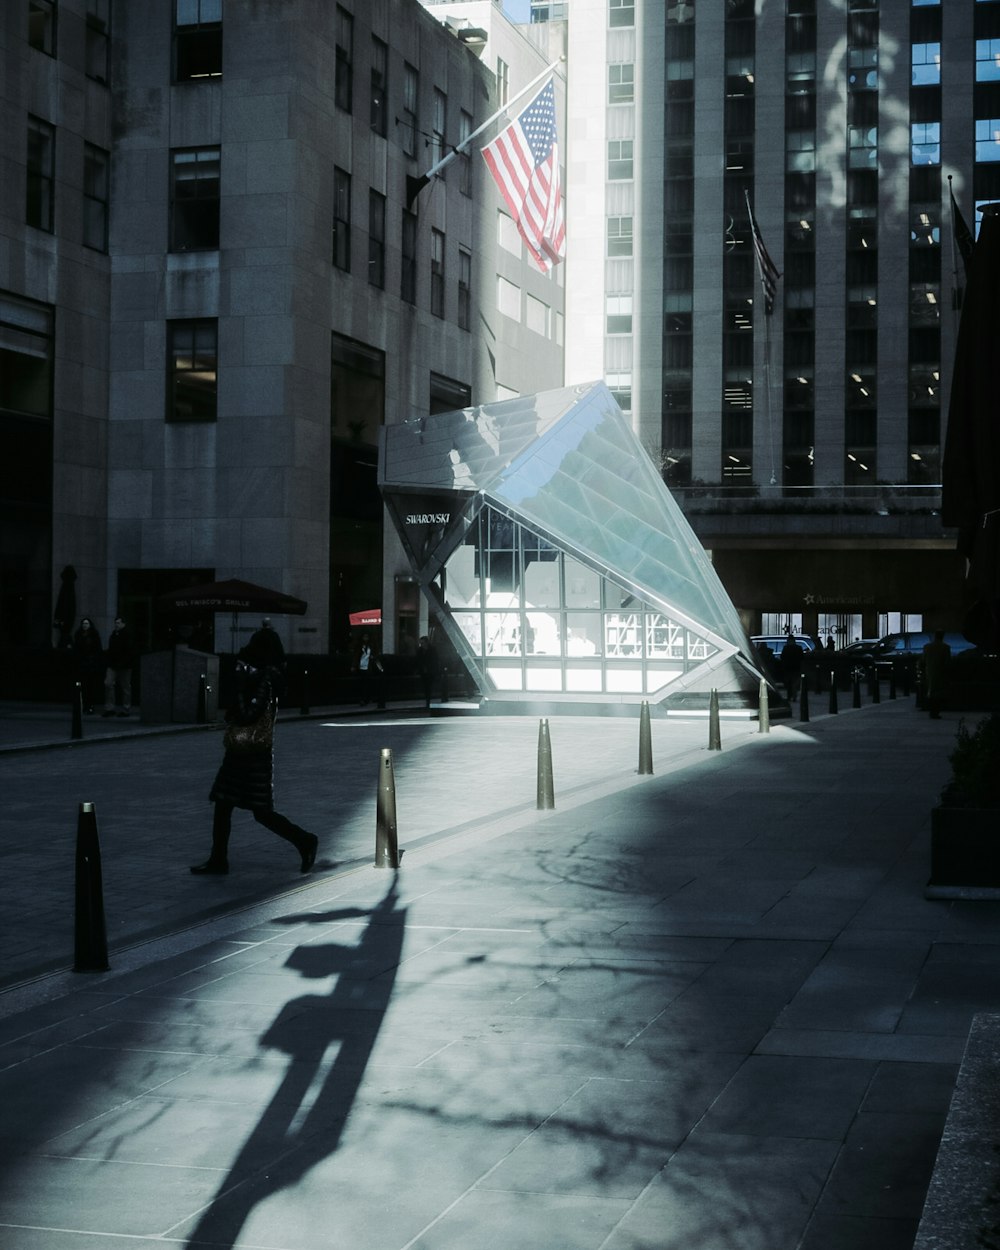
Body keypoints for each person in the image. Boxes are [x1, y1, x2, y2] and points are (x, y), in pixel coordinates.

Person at [190, 636, 318, 876]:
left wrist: (239, 685)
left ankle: (305, 840)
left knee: (261, 812)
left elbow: (249, 713)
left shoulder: (264, 680)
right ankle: (218, 860)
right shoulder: (261, 677)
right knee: (224, 804)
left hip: (251, 755)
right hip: (244, 754)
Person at [102, 615, 135, 717]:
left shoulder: (126, 635)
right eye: (116, 623)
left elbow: (129, 651)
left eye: (118, 623)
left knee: (124, 687)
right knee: (109, 684)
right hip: (116, 664)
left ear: (123, 624)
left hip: (123, 665)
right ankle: (113, 708)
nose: (116, 625)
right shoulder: (114, 634)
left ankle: (124, 708)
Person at [72, 617, 104, 713]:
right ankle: (85, 705)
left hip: (90, 665)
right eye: (84, 623)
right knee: (84, 686)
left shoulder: (93, 636)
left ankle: (90, 705)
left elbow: (97, 650)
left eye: (86, 624)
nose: (84, 625)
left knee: (90, 686)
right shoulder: (79, 635)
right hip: (82, 665)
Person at [922, 630, 952, 719]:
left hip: (929, 672)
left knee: (931, 691)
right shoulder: (945, 647)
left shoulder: (927, 647)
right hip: (940, 673)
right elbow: (947, 662)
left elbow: (923, 660)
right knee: (938, 693)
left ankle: (932, 711)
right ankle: (935, 712)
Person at [416, 634, 439, 709]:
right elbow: (418, 661)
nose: (421, 645)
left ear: (426, 643)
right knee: (426, 686)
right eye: (420, 643)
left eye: (422, 643)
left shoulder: (432, 650)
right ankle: (427, 699)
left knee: (429, 686)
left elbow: (435, 661)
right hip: (423, 671)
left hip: (431, 671)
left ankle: (428, 700)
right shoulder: (419, 651)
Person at [780, 634, 805, 701]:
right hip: (796, 667)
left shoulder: (786, 648)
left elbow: (782, 657)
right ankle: (794, 696)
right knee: (795, 683)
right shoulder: (798, 648)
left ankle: (789, 696)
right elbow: (802, 658)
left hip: (788, 668)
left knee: (788, 683)